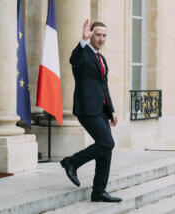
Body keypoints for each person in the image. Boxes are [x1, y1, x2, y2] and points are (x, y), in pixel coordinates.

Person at [60, 19, 122, 203]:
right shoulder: (83, 54)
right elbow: (73, 60)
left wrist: (111, 110)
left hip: (101, 111)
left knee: (106, 151)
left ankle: (99, 192)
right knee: (106, 143)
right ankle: (72, 161)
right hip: (86, 109)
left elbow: (104, 86)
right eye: (98, 35)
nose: (101, 39)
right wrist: (83, 40)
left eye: (104, 35)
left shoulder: (101, 59)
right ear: (91, 34)